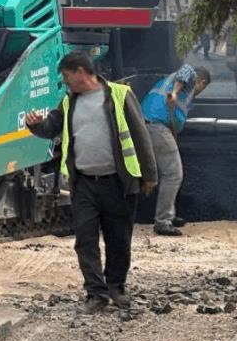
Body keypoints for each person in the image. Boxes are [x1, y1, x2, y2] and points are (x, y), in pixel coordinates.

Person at [24, 51, 158, 313]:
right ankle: (95, 293)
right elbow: (51, 127)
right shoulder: (69, 102)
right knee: (85, 239)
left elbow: (140, 134)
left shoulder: (119, 95)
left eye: (66, 76)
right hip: (84, 182)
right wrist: (35, 126)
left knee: (118, 238)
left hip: (117, 183)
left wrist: (150, 174)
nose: (65, 83)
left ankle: (116, 287)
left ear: (80, 72)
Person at [140, 63, 212, 236]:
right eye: (203, 87)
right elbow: (186, 71)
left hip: (151, 126)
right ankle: (163, 221)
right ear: (201, 82)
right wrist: (174, 93)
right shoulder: (190, 78)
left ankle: (168, 215)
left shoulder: (174, 86)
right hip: (156, 127)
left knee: (162, 173)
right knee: (173, 173)